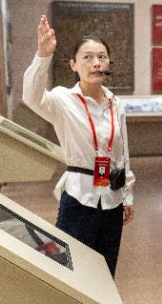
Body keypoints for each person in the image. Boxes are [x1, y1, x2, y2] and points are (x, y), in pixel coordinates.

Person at [22, 15, 135, 276]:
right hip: (79, 198)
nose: (96, 63)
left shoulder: (115, 104)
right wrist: (42, 56)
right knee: (71, 271)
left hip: (112, 200)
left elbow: (123, 153)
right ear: (73, 64)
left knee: (105, 270)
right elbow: (31, 97)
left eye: (102, 57)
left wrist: (128, 194)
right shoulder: (63, 99)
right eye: (87, 57)